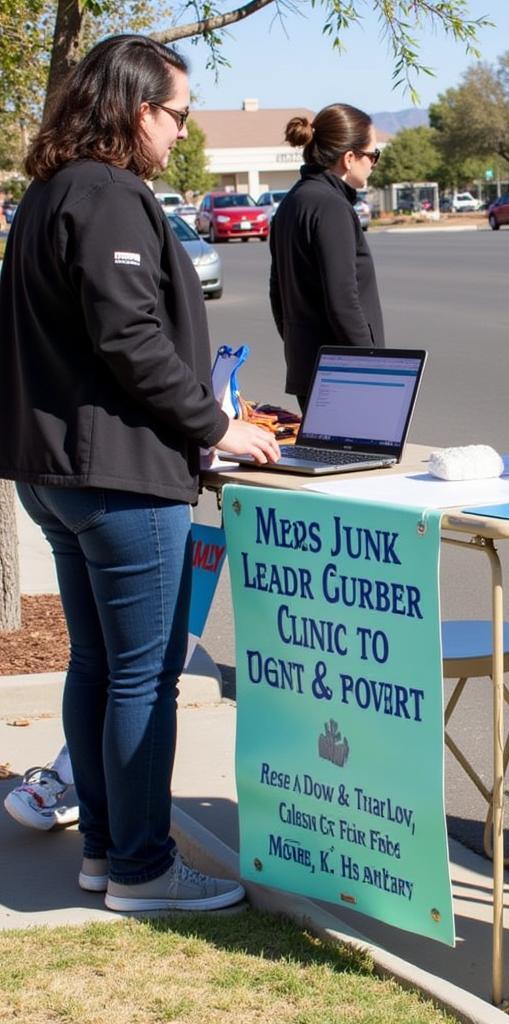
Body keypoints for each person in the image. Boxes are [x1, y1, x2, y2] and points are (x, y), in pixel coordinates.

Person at [0, 34, 280, 910]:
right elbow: (129, 336)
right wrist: (218, 425)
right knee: (145, 675)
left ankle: (104, 855)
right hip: (118, 473)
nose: (181, 136)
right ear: (133, 108)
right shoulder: (113, 194)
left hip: (57, 470)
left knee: (98, 666)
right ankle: (143, 869)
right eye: (177, 116)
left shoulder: (50, 193)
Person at [269, 103, 385, 412]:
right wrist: (375, 369)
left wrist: (300, 344)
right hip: (344, 373)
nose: (374, 163)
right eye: (373, 155)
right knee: (357, 459)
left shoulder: (292, 202)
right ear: (349, 158)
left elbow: (277, 294)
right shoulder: (330, 207)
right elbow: (343, 302)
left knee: (327, 457)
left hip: (309, 367)